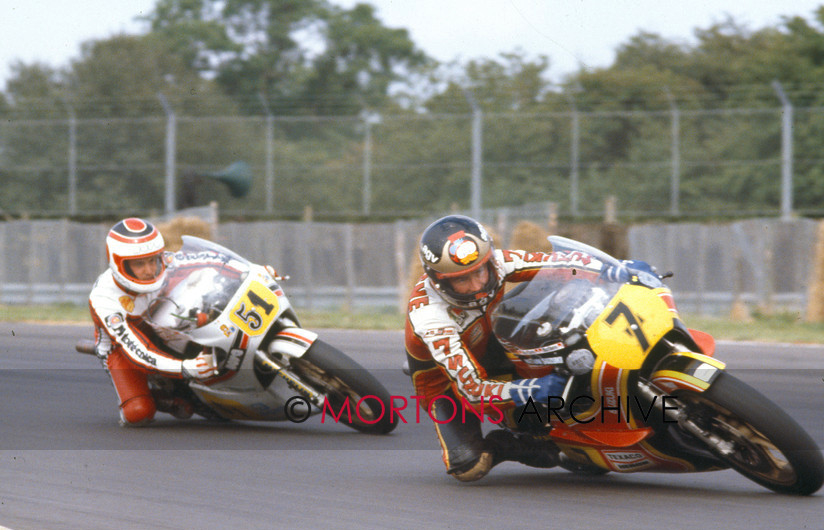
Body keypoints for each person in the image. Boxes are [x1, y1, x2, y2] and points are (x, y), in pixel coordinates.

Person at [405, 214, 612, 482]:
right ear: (440, 280)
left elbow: (558, 263)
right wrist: (530, 390)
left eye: (479, 271)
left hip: (496, 346)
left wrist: (609, 269)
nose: (477, 285)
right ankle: (504, 445)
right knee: (469, 467)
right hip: (446, 381)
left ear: (488, 260)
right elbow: (473, 390)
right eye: (462, 280)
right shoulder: (430, 317)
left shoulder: (498, 262)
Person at [88, 217, 220, 426]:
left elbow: (212, 260)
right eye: (139, 264)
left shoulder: (166, 262)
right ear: (118, 263)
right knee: (139, 413)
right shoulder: (104, 298)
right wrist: (186, 368)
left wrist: (255, 272)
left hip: (162, 323)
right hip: (122, 345)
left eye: (152, 260)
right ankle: (156, 398)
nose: (149, 270)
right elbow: (140, 353)